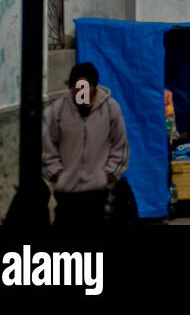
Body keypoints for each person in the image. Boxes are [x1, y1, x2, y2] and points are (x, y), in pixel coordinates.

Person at [42, 62, 129, 227]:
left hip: (99, 192)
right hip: (67, 193)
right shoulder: (58, 111)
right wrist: (58, 175)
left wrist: (107, 175)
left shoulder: (111, 109)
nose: (80, 93)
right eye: (76, 88)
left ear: (94, 87)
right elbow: (48, 148)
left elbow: (120, 146)